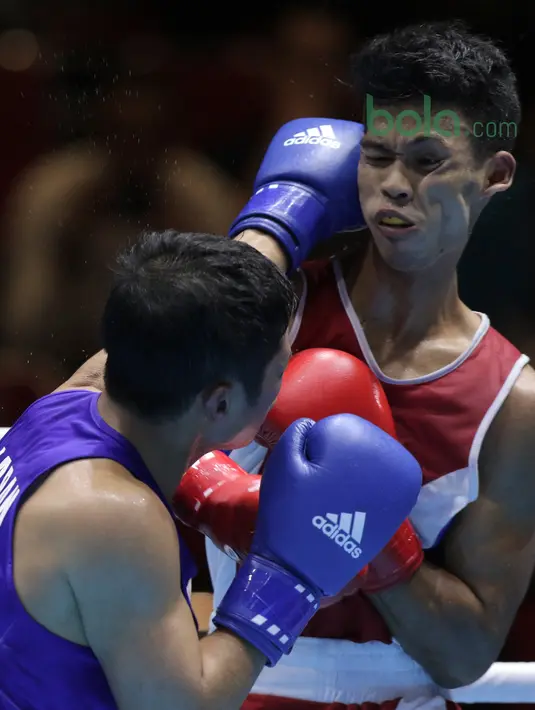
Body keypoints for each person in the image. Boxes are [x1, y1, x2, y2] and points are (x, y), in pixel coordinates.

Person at [186, 20, 535, 710]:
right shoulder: (274, 309)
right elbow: (108, 419)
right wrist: (226, 498)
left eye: (427, 161)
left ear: (494, 174)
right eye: (376, 156)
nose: (394, 186)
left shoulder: (512, 403)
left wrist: (371, 537)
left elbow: (465, 653)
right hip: (232, 686)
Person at [0, 230, 423, 709]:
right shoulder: (117, 516)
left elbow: (171, 309)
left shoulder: (64, 405)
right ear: (221, 403)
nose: (290, 382)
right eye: (279, 372)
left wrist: (276, 222)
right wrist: (287, 580)